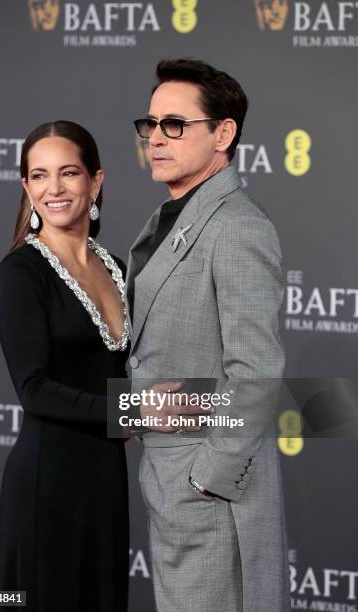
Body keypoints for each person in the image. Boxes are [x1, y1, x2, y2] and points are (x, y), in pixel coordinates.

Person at [127, 59, 290, 612]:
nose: (156, 139)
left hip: (213, 497)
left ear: (224, 134)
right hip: (170, 481)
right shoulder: (167, 217)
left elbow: (258, 373)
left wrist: (209, 479)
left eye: (175, 124)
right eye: (150, 124)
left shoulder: (238, 226)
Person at [0, 120, 129, 612]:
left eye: (68, 173)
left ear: (96, 180)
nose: (54, 188)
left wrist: (211, 404)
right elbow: (34, 389)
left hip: (106, 485)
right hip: (47, 488)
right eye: (39, 176)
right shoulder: (21, 272)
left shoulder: (116, 266)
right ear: (26, 187)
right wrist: (132, 413)